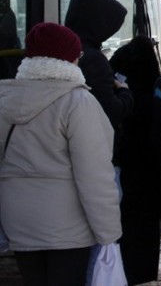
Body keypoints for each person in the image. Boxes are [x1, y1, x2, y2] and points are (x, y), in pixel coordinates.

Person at [0, 23, 121, 286]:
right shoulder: (77, 103)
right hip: (67, 228)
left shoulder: (4, 97)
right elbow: (95, 177)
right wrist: (109, 234)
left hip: (18, 222)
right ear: (69, 59)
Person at [109, 36, 161, 285]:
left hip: (125, 184)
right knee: (145, 250)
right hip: (151, 185)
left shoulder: (124, 100)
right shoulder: (158, 96)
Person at [64, 0, 134, 171]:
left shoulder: (62, 51)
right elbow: (110, 111)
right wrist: (125, 92)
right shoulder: (93, 59)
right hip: (91, 154)